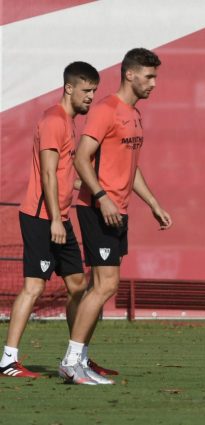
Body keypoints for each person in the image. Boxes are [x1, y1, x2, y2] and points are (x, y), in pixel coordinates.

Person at [58, 48, 173, 385]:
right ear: (129, 74)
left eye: (155, 77)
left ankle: (80, 359)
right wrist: (102, 198)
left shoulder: (134, 114)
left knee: (100, 285)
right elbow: (81, 158)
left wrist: (153, 203)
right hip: (98, 209)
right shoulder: (106, 109)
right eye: (149, 76)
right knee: (106, 284)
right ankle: (71, 362)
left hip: (117, 210)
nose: (153, 83)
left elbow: (130, 168)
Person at [0, 62, 100, 379]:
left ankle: (77, 357)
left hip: (59, 217)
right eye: (86, 90)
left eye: (94, 91)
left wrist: (93, 191)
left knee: (78, 285)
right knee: (34, 287)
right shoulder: (54, 120)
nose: (91, 96)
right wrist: (55, 219)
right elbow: (47, 174)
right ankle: (8, 360)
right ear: (69, 88)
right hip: (42, 218)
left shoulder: (67, 122)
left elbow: (63, 175)